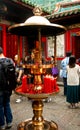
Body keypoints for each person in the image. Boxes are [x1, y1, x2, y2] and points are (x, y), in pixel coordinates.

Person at [0, 47, 13, 130]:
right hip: (8, 88)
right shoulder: (10, 61)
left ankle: (2, 124)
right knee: (7, 104)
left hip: (0, 88)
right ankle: (9, 122)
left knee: (0, 106)